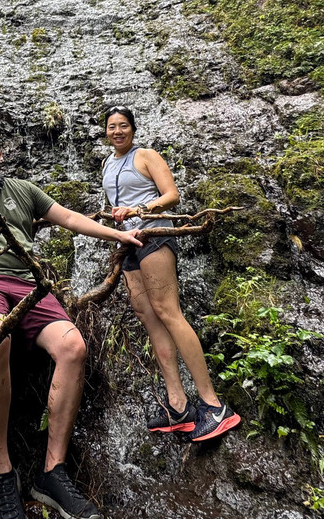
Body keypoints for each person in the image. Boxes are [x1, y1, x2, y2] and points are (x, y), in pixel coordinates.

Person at [0, 128, 144, 519]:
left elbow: (67, 218)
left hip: (29, 282)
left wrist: (117, 233)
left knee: (73, 347)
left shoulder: (24, 190)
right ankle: (1, 470)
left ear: (0, 152)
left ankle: (52, 472)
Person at [102, 104, 240, 442]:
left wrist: (139, 210)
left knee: (168, 311)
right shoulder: (106, 164)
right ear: (105, 132)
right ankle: (179, 407)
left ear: (132, 129)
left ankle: (213, 405)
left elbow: (172, 196)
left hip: (154, 233)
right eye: (111, 126)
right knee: (148, 317)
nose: (117, 131)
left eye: (123, 125)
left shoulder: (146, 155)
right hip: (127, 242)